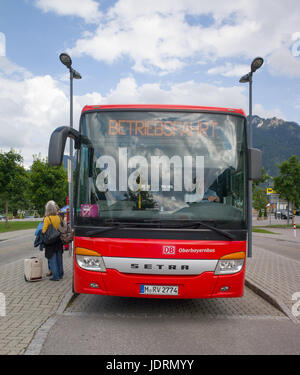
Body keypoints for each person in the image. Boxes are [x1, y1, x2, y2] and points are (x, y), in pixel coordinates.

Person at [42, 201, 63, 281]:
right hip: (58, 240)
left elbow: (44, 231)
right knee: (59, 258)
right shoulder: (58, 217)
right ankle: (61, 274)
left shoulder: (47, 218)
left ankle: (56, 276)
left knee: (52, 258)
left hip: (51, 241)